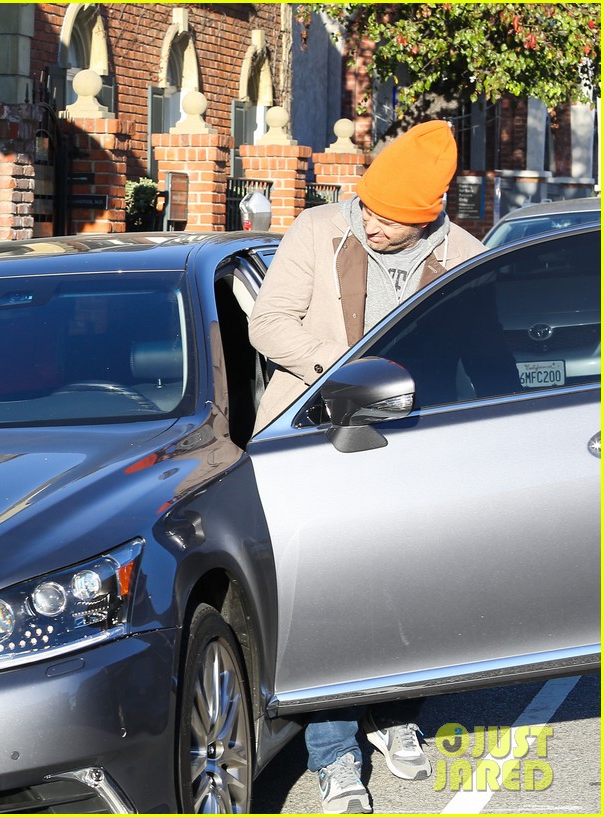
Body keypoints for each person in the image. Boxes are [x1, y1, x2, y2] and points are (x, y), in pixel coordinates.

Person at [248, 120, 486, 813]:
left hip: (414, 450)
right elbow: (269, 322)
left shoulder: (465, 256)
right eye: (369, 208)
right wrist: (339, 368)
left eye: (390, 219)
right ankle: (334, 755)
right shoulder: (319, 230)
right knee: (331, 600)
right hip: (317, 438)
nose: (372, 224)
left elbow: (478, 358)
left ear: (428, 216)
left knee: (413, 588)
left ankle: (394, 712)